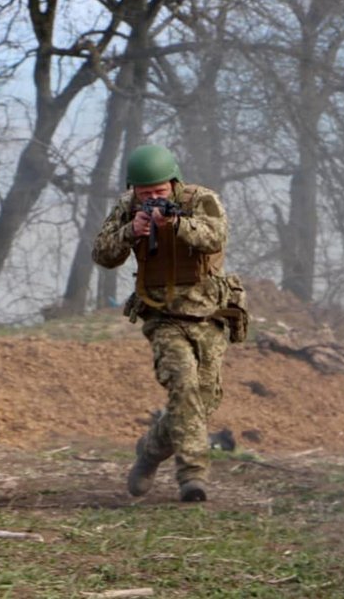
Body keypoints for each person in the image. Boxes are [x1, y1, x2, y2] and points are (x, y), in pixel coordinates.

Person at [91, 144, 244, 502]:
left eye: (159, 192)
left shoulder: (201, 200)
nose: (152, 199)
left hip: (208, 315)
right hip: (162, 316)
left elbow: (216, 237)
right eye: (145, 194)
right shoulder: (127, 207)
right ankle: (192, 476)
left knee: (202, 402)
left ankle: (150, 450)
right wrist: (131, 231)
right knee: (184, 385)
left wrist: (175, 224)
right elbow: (102, 254)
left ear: (174, 183)